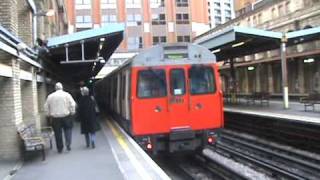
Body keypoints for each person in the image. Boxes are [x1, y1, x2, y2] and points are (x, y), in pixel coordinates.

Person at [44, 82, 76, 153]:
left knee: (58, 133)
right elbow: (73, 104)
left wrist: (48, 114)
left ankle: (60, 148)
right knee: (68, 130)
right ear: (62, 88)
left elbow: (46, 107)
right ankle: (68, 144)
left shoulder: (50, 96)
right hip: (66, 116)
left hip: (55, 118)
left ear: (55, 88)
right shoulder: (67, 95)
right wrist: (72, 112)